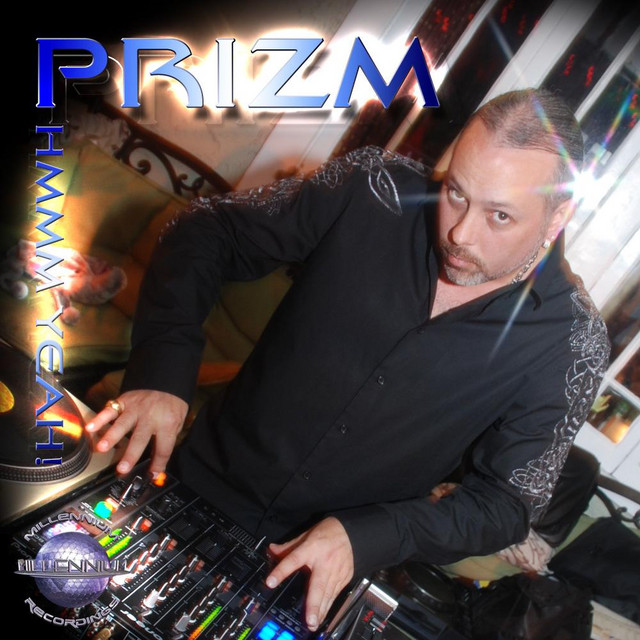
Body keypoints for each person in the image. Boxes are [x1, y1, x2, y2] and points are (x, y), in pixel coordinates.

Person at [86, 89, 610, 630]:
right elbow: (206, 230)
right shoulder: (372, 187)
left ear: (557, 216)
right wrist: (162, 371)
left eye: (500, 215)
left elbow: (506, 505)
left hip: (317, 574)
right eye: (456, 191)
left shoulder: (572, 343)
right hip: (188, 483)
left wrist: (371, 535)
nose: (460, 232)